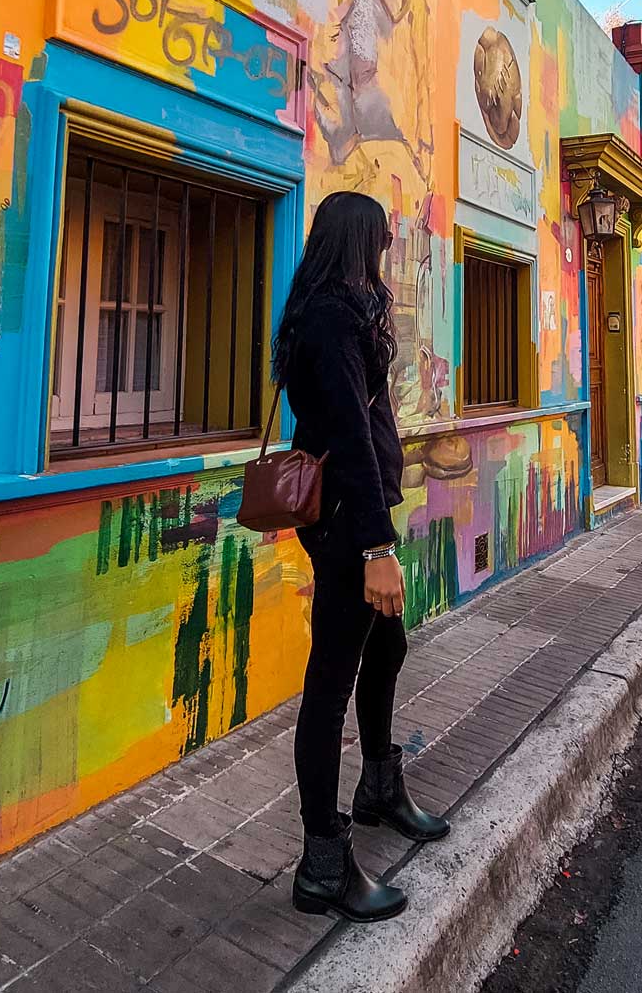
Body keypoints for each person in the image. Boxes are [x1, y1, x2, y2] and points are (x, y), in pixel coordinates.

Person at [273, 190, 448, 925]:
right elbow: (345, 433)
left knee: (388, 645)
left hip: (361, 514)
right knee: (331, 678)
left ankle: (378, 786)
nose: (387, 250)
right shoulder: (329, 320)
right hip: (350, 523)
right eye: (380, 238)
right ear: (357, 240)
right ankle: (322, 861)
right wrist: (377, 546)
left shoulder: (346, 310)